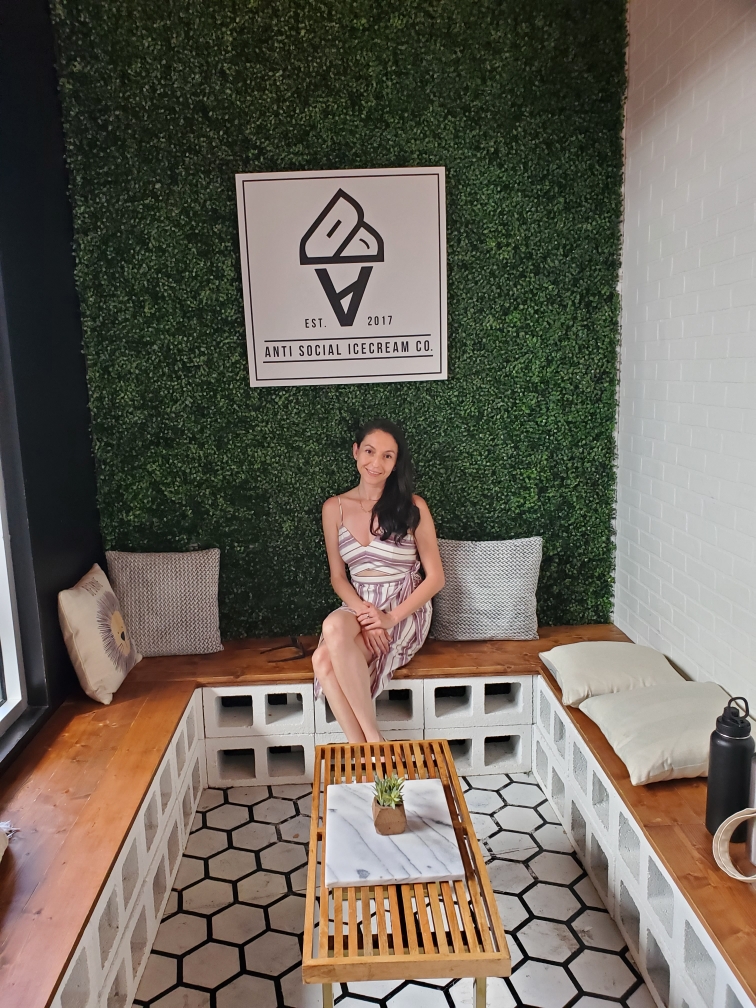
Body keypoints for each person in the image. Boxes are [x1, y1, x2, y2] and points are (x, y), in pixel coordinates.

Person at [313, 419, 445, 743]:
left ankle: (364, 748)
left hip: (403, 607)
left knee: (323, 660)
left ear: (396, 462)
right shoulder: (334, 508)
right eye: (370, 452)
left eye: (388, 456)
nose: (376, 463)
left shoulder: (413, 507)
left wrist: (387, 619)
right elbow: (337, 576)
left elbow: (436, 578)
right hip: (360, 605)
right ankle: (372, 744)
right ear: (356, 452)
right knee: (329, 635)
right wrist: (366, 616)